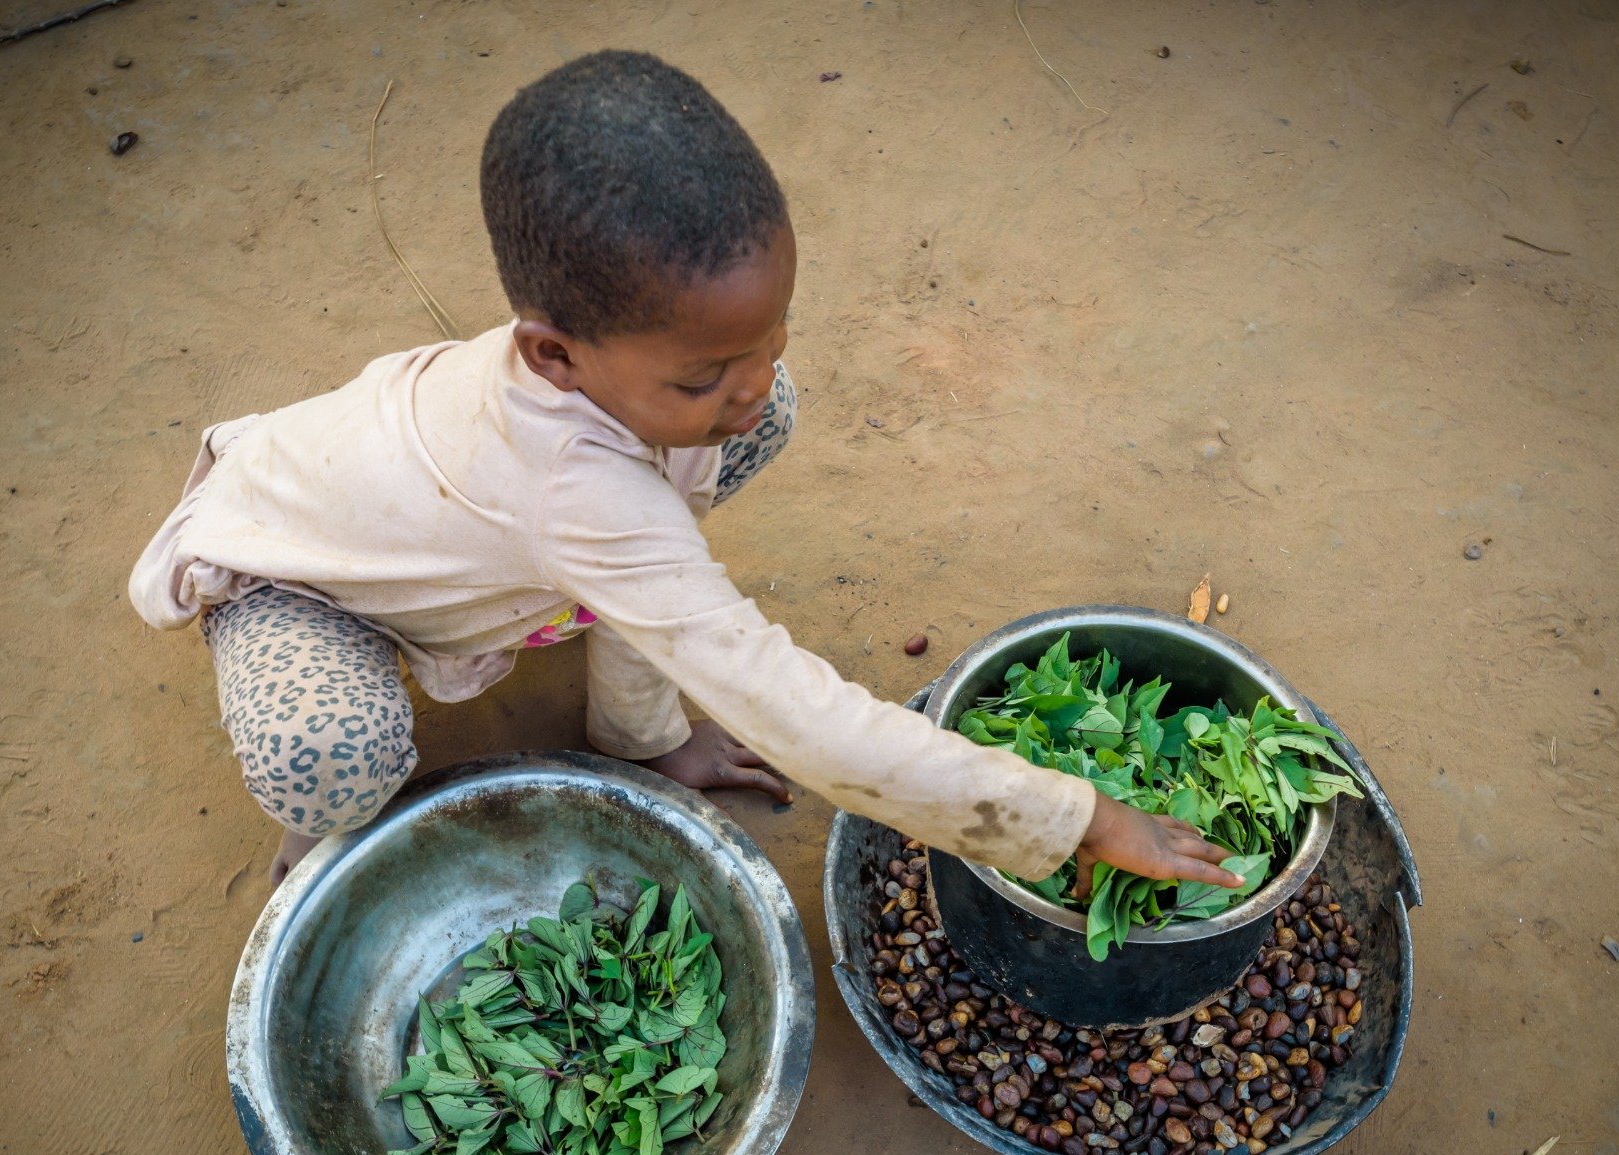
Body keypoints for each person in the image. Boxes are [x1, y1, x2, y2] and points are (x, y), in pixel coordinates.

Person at [129, 50, 1242, 901]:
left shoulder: (632, 390)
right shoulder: (575, 485)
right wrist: (1075, 812)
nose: (755, 381)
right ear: (551, 352)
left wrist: (648, 734)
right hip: (294, 570)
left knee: (742, 435)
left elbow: (647, 522)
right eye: (709, 370)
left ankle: (601, 683)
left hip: (472, 516)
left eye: (772, 335)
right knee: (333, 761)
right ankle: (324, 821)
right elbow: (803, 720)